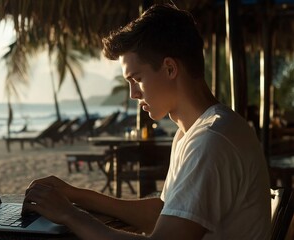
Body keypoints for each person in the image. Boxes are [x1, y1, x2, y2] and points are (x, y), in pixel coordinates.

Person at [22, 4, 271, 239]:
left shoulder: (212, 141)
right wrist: (76, 195)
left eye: (137, 78)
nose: (133, 94)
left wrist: (69, 215)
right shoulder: (193, 132)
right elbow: (162, 213)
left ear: (170, 69)